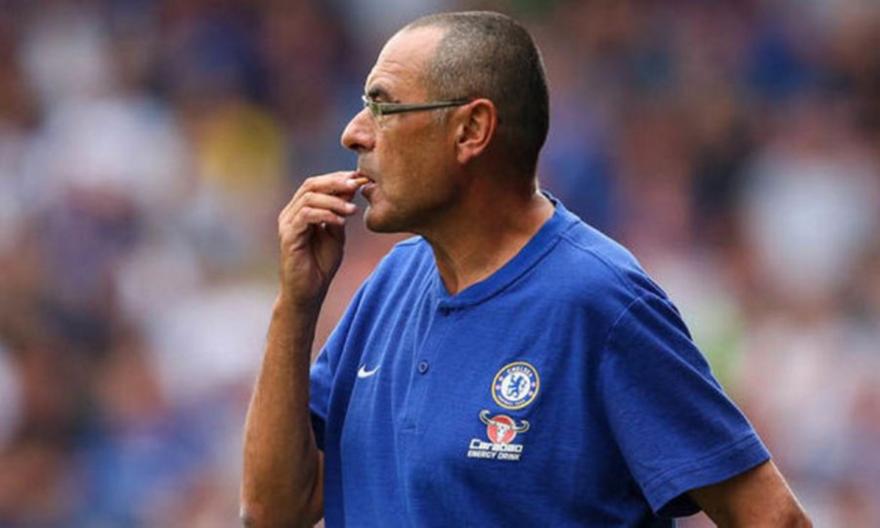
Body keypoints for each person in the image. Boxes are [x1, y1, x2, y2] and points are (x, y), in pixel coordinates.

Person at [241, 11, 811, 527]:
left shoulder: (599, 300)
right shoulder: (390, 285)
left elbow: (772, 518)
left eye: (383, 107)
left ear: (471, 130)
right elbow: (274, 512)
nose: (354, 132)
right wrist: (296, 305)